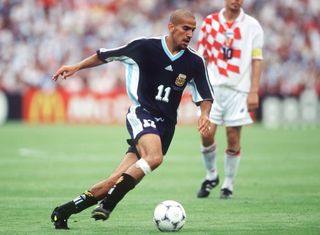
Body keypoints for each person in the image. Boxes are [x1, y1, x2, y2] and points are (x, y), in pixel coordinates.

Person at [50, 9, 214, 229]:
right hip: (142, 113)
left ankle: (64, 211)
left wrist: (204, 113)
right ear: (171, 27)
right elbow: (105, 55)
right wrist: (77, 66)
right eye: (185, 28)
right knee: (154, 157)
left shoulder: (194, 61)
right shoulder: (145, 47)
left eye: (192, 30)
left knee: (114, 180)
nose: (189, 34)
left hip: (166, 126)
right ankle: (109, 204)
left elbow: (205, 95)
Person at [195, 0, 264, 199]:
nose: (236, 1)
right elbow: (202, 57)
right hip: (213, 88)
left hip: (238, 90)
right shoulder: (210, 22)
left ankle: (228, 184)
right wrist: (198, 87)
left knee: (233, 137)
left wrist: (254, 90)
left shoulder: (252, 26)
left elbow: (256, 59)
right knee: (206, 133)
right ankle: (211, 176)